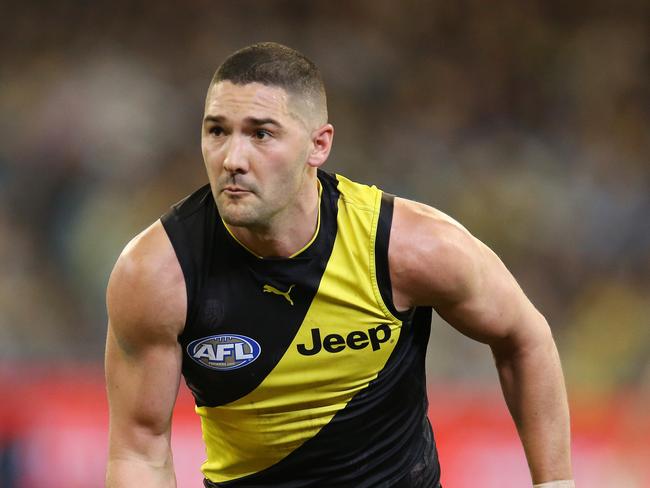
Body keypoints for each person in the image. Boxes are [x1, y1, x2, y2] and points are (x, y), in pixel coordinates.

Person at [105, 42, 573, 488]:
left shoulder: (407, 248)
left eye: (261, 133)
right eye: (217, 131)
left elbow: (523, 337)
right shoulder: (156, 274)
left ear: (318, 145)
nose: (233, 158)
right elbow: (139, 451)